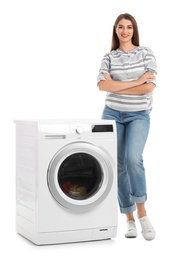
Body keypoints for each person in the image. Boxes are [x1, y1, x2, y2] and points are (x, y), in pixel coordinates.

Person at [97, 13, 157, 241]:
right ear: (115, 30)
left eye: (129, 27)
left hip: (138, 115)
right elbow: (103, 86)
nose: (125, 31)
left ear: (134, 30)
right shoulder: (108, 57)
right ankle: (129, 219)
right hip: (112, 114)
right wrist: (136, 81)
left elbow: (148, 88)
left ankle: (142, 215)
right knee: (118, 165)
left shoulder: (146, 53)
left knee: (133, 159)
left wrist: (118, 85)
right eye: (120, 27)